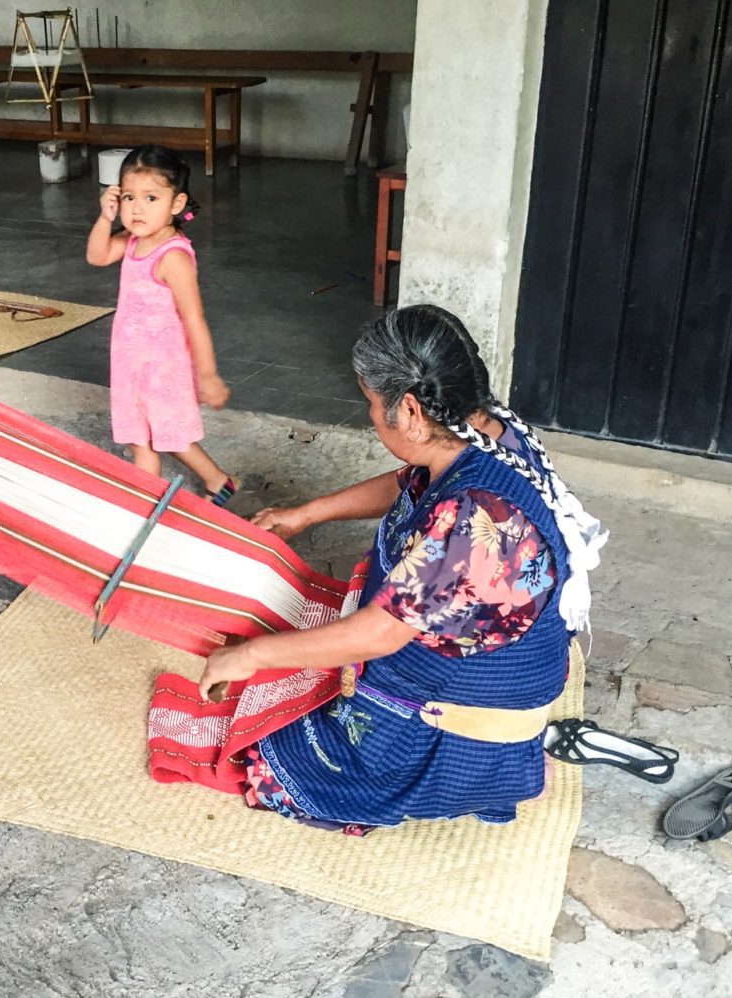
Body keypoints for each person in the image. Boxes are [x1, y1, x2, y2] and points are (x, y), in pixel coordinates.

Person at [156, 304, 607, 832]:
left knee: (261, 755)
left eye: (372, 404)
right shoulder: (485, 430)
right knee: (297, 648)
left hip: (458, 732)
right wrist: (305, 513)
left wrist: (250, 657)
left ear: (412, 411)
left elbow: (377, 635)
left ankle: (465, 775)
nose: (371, 418)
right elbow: (409, 480)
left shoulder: (478, 523)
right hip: (481, 661)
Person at [85, 145, 237, 506]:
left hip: (163, 367)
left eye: (151, 197)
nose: (136, 207)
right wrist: (105, 219)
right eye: (128, 197)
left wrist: (209, 374)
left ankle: (146, 511)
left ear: (176, 202)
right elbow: (97, 255)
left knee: (169, 438)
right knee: (142, 437)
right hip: (130, 362)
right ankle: (219, 481)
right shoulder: (133, 241)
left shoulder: (173, 256)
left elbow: (194, 319)